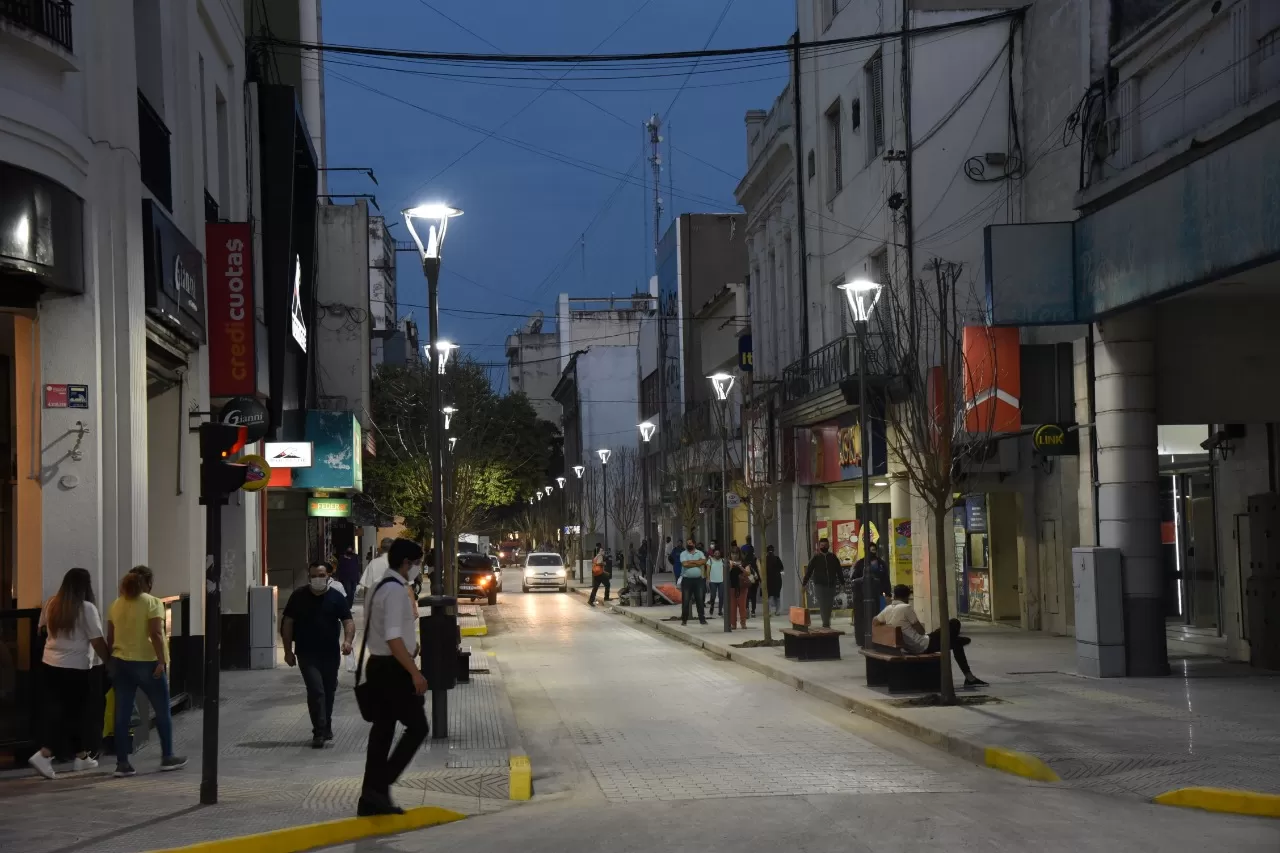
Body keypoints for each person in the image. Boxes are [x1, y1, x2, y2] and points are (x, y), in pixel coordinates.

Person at [359, 538, 430, 816]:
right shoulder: (397, 591)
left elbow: (385, 632)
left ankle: (371, 798)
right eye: (417, 564)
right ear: (406, 563)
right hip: (392, 670)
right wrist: (415, 673)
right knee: (418, 727)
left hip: (378, 665)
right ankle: (380, 784)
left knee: (382, 732)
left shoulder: (379, 588)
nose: (417, 569)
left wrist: (411, 647)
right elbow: (392, 637)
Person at [30, 568, 111, 779]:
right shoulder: (87, 609)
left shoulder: (51, 604)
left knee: (64, 711)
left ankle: (82, 757)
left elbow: (41, 630)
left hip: (49, 664)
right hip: (76, 667)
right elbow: (97, 641)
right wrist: (109, 661)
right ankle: (45, 754)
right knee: (72, 714)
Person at [107, 566, 186, 777]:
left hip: (121, 662)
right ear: (148, 583)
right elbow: (156, 634)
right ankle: (168, 756)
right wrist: (162, 660)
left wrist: (110, 661)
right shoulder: (152, 602)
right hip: (146, 662)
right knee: (161, 709)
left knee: (122, 713)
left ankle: (122, 762)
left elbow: (110, 637)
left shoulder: (116, 604)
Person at [282, 562, 356, 749]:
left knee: (329, 690)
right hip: (307, 653)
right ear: (309, 577)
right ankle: (319, 731)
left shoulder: (336, 597)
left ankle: (326, 724)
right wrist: (288, 650)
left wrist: (347, 641)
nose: (317, 579)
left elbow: (348, 621)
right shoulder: (298, 596)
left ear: (328, 575)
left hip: (330, 653)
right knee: (316, 690)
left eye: (321, 575)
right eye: (313, 575)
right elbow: (288, 623)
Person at [875, 585, 989, 687]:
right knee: (954, 623)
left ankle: (969, 674)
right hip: (922, 645)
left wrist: (888, 623)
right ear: (907, 596)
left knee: (955, 642)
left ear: (895, 595)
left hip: (909, 646)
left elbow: (874, 621)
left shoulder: (888, 609)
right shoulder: (906, 608)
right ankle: (969, 675)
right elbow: (920, 630)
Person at [852, 542, 892, 646]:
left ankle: (879, 638)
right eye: (871, 550)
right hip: (864, 596)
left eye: (874, 550)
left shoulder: (881, 564)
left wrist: (888, 593)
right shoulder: (860, 563)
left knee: (880, 616)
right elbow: (854, 578)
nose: (872, 552)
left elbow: (886, 579)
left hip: (879, 594)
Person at [801, 538, 842, 629]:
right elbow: (809, 572)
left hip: (831, 584)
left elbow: (839, 571)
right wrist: (804, 584)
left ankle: (827, 621)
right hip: (819, 585)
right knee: (823, 604)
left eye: (826, 545)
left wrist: (842, 583)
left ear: (829, 546)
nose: (824, 547)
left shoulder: (833, 557)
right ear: (819, 546)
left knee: (829, 604)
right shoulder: (815, 558)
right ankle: (826, 623)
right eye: (822, 545)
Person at [678, 538, 707, 625]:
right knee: (686, 600)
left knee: (700, 600)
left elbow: (703, 561)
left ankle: (702, 619)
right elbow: (684, 564)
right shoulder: (683, 553)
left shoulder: (700, 552)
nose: (688, 545)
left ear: (694, 544)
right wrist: (697, 562)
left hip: (698, 580)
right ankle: (684, 620)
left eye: (690, 543)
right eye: (687, 543)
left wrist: (691, 561)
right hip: (687, 580)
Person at [335, 546, 361, 611]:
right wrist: (337, 576)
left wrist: (358, 578)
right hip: (345, 577)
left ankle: (350, 606)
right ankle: (347, 607)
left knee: (353, 592)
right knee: (348, 592)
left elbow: (357, 568)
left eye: (350, 550)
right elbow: (339, 568)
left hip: (354, 577)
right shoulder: (342, 557)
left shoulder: (355, 557)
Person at [728, 554, 750, 629]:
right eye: (732, 553)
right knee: (732, 606)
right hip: (732, 586)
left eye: (736, 553)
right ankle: (733, 624)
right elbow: (725, 573)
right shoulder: (728, 563)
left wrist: (740, 566)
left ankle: (743, 623)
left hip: (742, 586)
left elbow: (747, 573)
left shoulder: (744, 563)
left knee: (742, 605)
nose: (734, 555)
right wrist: (731, 566)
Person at [764, 545, 785, 616]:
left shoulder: (765, 559)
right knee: (777, 595)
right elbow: (782, 568)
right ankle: (777, 611)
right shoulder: (777, 558)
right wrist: (781, 574)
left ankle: (769, 611)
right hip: (777, 579)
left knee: (770, 596)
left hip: (769, 580)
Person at [705, 548, 725, 616]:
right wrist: (708, 579)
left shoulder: (723, 560)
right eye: (716, 553)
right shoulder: (710, 560)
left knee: (721, 596)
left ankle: (720, 610)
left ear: (720, 554)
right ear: (713, 554)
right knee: (713, 596)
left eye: (718, 553)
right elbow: (708, 570)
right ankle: (712, 607)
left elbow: (725, 570)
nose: (717, 554)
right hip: (712, 581)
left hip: (721, 581)